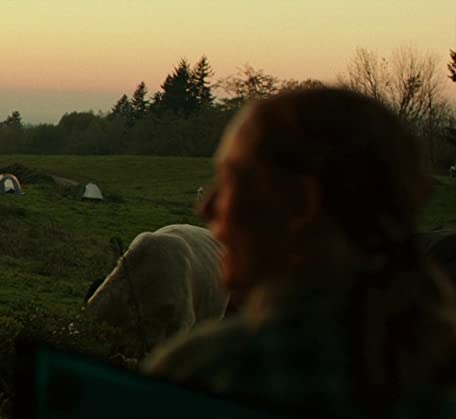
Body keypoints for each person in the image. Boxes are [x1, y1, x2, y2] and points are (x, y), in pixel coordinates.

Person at [141, 88, 456, 417]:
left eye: (232, 180)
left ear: (300, 204)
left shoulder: (212, 372)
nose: (206, 206)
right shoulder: (430, 369)